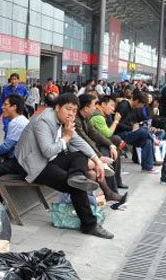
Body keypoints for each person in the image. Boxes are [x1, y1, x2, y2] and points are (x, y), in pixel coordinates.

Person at [15, 93, 114, 239]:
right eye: (68, 109)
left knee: (80, 157)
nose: (71, 114)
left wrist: (97, 160)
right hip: (35, 165)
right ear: (57, 107)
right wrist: (66, 137)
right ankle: (90, 225)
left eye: (74, 111)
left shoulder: (62, 120)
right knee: (77, 186)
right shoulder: (44, 121)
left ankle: (77, 175)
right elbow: (48, 151)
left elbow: (78, 141)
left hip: (49, 159)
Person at [76, 94, 128, 208]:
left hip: (87, 150)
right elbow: (85, 140)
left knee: (113, 146)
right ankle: (109, 192)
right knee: (94, 169)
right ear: (85, 108)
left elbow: (94, 134)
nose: (96, 107)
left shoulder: (84, 118)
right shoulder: (78, 120)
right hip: (77, 153)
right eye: (94, 105)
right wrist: (98, 156)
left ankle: (110, 191)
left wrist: (110, 145)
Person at [88, 96, 129, 190]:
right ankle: (113, 187)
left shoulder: (103, 115)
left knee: (116, 146)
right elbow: (108, 134)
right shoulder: (97, 116)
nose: (113, 109)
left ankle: (116, 183)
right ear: (103, 104)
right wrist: (116, 121)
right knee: (115, 143)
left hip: (98, 143)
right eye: (111, 105)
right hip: (94, 146)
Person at [115, 90, 157, 173]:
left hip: (129, 133)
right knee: (144, 131)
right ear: (137, 101)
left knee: (147, 141)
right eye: (141, 104)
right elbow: (116, 123)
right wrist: (131, 128)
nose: (141, 107)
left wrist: (136, 125)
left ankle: (147, 167)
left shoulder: (133, 108)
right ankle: (154, 140)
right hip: (120, 134)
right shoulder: (124, 105)